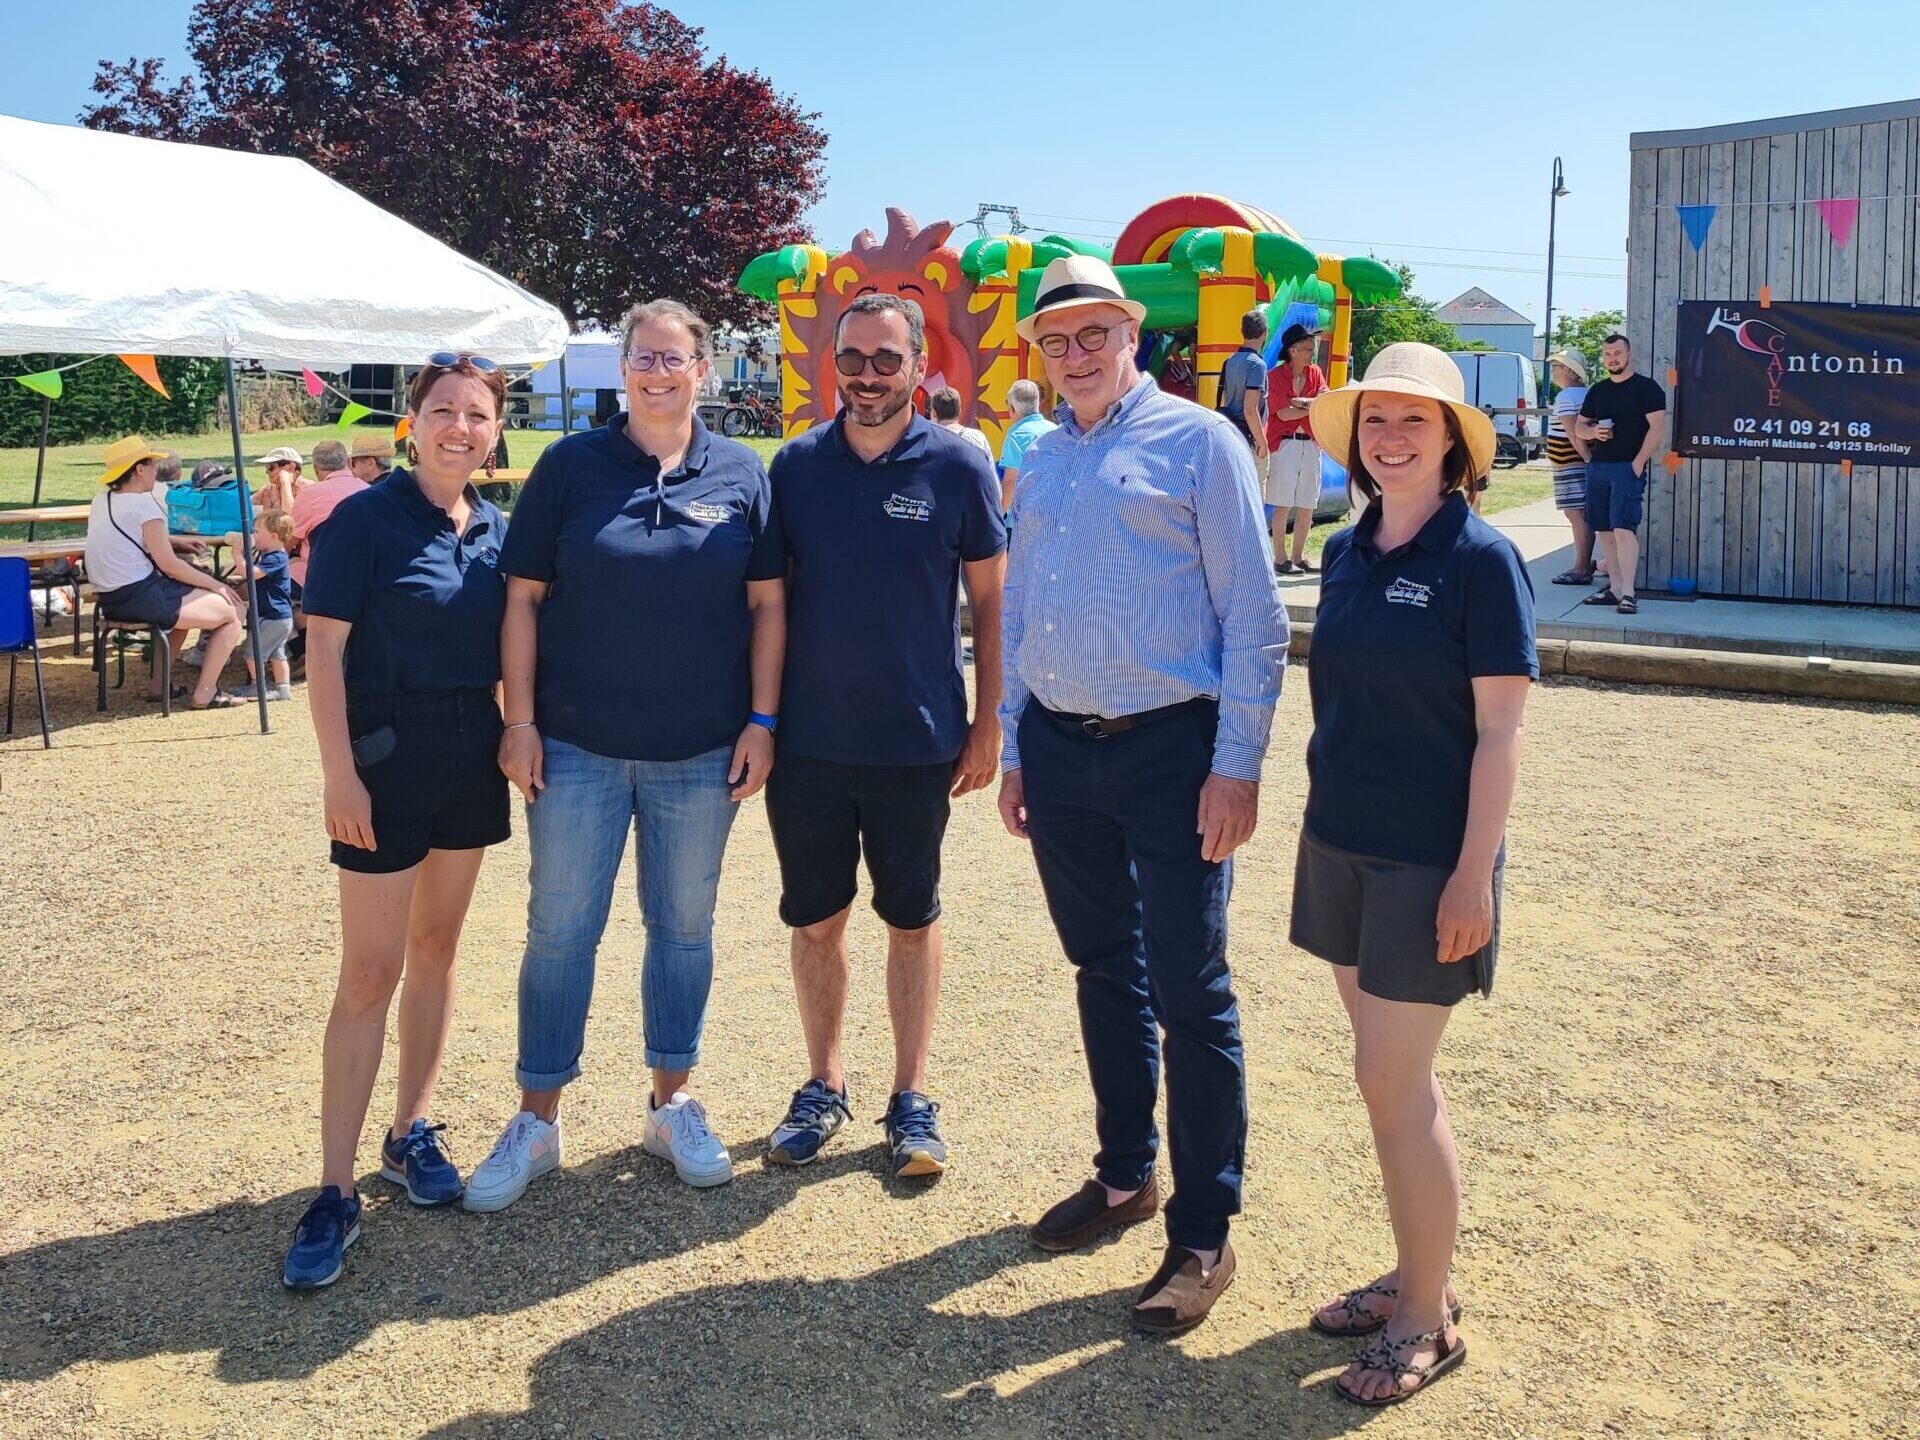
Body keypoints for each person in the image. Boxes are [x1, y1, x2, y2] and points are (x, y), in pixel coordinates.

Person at [998, 255, 1287, 1335]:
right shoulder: (1046, 457)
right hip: (1065, 754)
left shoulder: (1202, 441)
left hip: (1175, 753)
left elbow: (1254, 616)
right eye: (1055, 340)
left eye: (1092, 334)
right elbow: (1023, 602)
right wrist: (1017, 743)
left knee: (1190, 988)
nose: (1074, 355)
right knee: (1101, 967)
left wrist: (1239, 764)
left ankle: (1203, 1234)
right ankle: (1128, 1174)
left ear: (1131, 334)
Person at [464, 299, 787, 1208]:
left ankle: (670, 1101)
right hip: (575, 746)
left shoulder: (742, 472)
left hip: (701, 752)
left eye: (673, 359)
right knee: (561, 932)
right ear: (624, 370)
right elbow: (521, 598)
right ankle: (538, 1119)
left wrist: (763, 721)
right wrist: (518, 721)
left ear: (703, 371)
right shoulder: (571, 466)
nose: (655, 373)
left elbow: (768, 607)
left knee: (683, 929)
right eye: (641, 358)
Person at [1293, 343, 1536, 1406]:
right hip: (1338, 839)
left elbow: (1501, 732)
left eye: (1416, 423)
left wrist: (1472, 876)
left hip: (1428, 860)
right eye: (1376, 422)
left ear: (1454, 445)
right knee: (1386, 1079)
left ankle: (1425, 1318)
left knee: (1394, 1083)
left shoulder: (1481, 560)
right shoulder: (1347, 549)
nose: (1391, 439)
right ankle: (1418, 1269)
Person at [761, 292, 1006, 1181]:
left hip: (918, 738)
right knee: (817, 920)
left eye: (887, 359)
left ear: (918, 367)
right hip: (809, 742)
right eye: (854, 358)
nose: (869, 375)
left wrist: (989, 721)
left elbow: (991, 602)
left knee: (912, 917)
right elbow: (769, 602)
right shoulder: (792, 469)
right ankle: (824, 1084)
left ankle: (912, 1096)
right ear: (834, 361)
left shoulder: (957, 467)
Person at [282, 354, 512, 1290]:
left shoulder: (497, 529)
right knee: (370, 971)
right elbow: (324, 654)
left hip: (471, 755)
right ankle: (334, 1190)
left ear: (496, 430)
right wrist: (339, 774)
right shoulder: (360, 522)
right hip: (381, 758)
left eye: (479, 415)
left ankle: (409, 1131)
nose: (461, 427)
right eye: (445, 411)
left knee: (438, 952)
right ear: (412, 422)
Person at [84, 436, 247, 709]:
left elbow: (130, 537)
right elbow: (170, 565)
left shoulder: (103, 500)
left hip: (111, 599)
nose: (155, 470)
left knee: (184, 607)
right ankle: (206, 692)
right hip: (141, 597)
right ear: (139, 469)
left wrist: (175, 541)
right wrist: (215, 584)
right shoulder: (144, 505)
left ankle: (160, 686)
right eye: (151, 464)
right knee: (235, 610)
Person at [1574, 334, 1666, 616]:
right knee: (1604, 530)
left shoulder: (1647, 388)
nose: (1612, 358)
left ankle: (1629, 593)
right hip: (1599, 468)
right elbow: (1579, 427)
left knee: (1624, 529)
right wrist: (1592, 433)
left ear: (1629, 355)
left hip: (1628, 468)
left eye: (1617, 352)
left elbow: (1658, 429)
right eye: (1607, 354)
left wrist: (1638, 463)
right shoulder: (1598, 391)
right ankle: (1613, 590)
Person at [1265, 323, 1328, 575]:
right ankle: (1280, 558)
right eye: (1306, 349)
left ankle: (1299, 556)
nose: (1311, 353)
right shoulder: (1275, 377)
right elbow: (1282, 413)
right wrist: (1308, 408)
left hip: (1311, 445)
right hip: (1285, 445)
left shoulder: (1316, 374)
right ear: (1292, 351)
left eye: (1311, 349)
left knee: (1307, 505)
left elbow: (1323, 402)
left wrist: (1300, 404)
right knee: (1282, 504)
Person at [227, 507, 296, 701]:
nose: (253, 536)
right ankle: (283, 689)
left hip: (273, 617)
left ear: (274, 536)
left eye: (257, 532)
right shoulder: (271, 556)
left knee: (252, 653)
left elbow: (249, 573)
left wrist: (237, 553)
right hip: (279, 617)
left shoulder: (276, 557)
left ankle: (258, 687)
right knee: (277, 653)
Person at [1544, 351, 1597, 585]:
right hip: (1577, 462)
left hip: (1570, 464)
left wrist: (1586, 458)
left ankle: (1581, 567)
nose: (1554, 370)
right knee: (1582, 514)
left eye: (1557, 366)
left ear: (1567, 370)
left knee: (1576, 514)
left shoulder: (1566, 397)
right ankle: (1584, 563)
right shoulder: (1588, 394)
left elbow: (1573, 432)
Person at [291, 439, 366, 589]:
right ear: (348, 462)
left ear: (316, 468)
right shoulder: (368, 490)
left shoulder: (309, 495)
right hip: (364, 572)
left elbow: (290, 539)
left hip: (320, 576)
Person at [1216, 309, 1270, 476]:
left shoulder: (1230, 361)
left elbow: (1226, 398)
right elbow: (1249, 409)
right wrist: (1262, 444)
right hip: (1249, 437)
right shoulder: (1257, 365)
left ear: (1242, 332)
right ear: (1265, 333)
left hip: (1232, 435)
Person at [997, 378, 1056, 516]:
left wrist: (998, 516)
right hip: (1055, 513)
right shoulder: (1056, 431)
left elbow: (1010, 483)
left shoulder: (1016, 436)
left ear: (1011, 409)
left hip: (1027, 516)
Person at [927, 386, 995, 462]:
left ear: (934, 413)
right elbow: (990, 472)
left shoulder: (926, 441)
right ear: (959, 411)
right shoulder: (979, 438)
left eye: (931, 410)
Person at [253, 445, 305, 513]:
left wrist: (285, 483)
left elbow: (291, 519)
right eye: (267, 468)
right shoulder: (266, 491)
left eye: (270, 467)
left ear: (291, 468)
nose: (267, 472)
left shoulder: (307, 490)